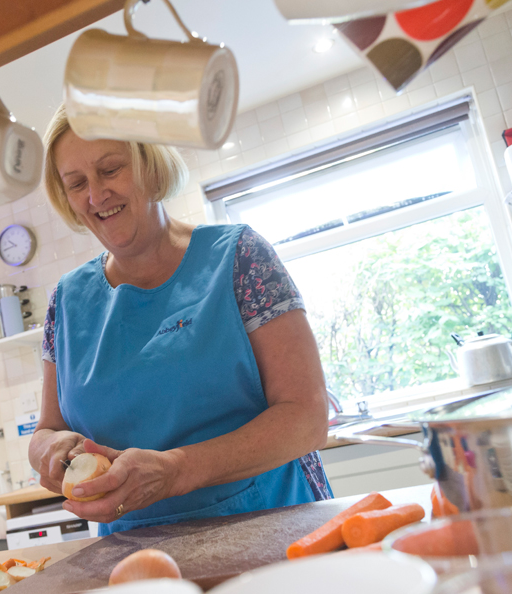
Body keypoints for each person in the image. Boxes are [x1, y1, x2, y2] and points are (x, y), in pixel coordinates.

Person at [28, 104, 333, 535]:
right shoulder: (66, 301)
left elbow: (307, 417)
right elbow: (47, 428)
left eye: (110, 170)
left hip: (275, 530)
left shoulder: (239, 257)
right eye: (76, 184)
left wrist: (174, 470)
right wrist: (49, 449)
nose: (96, 196)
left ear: (149, 165)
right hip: (135, 554)